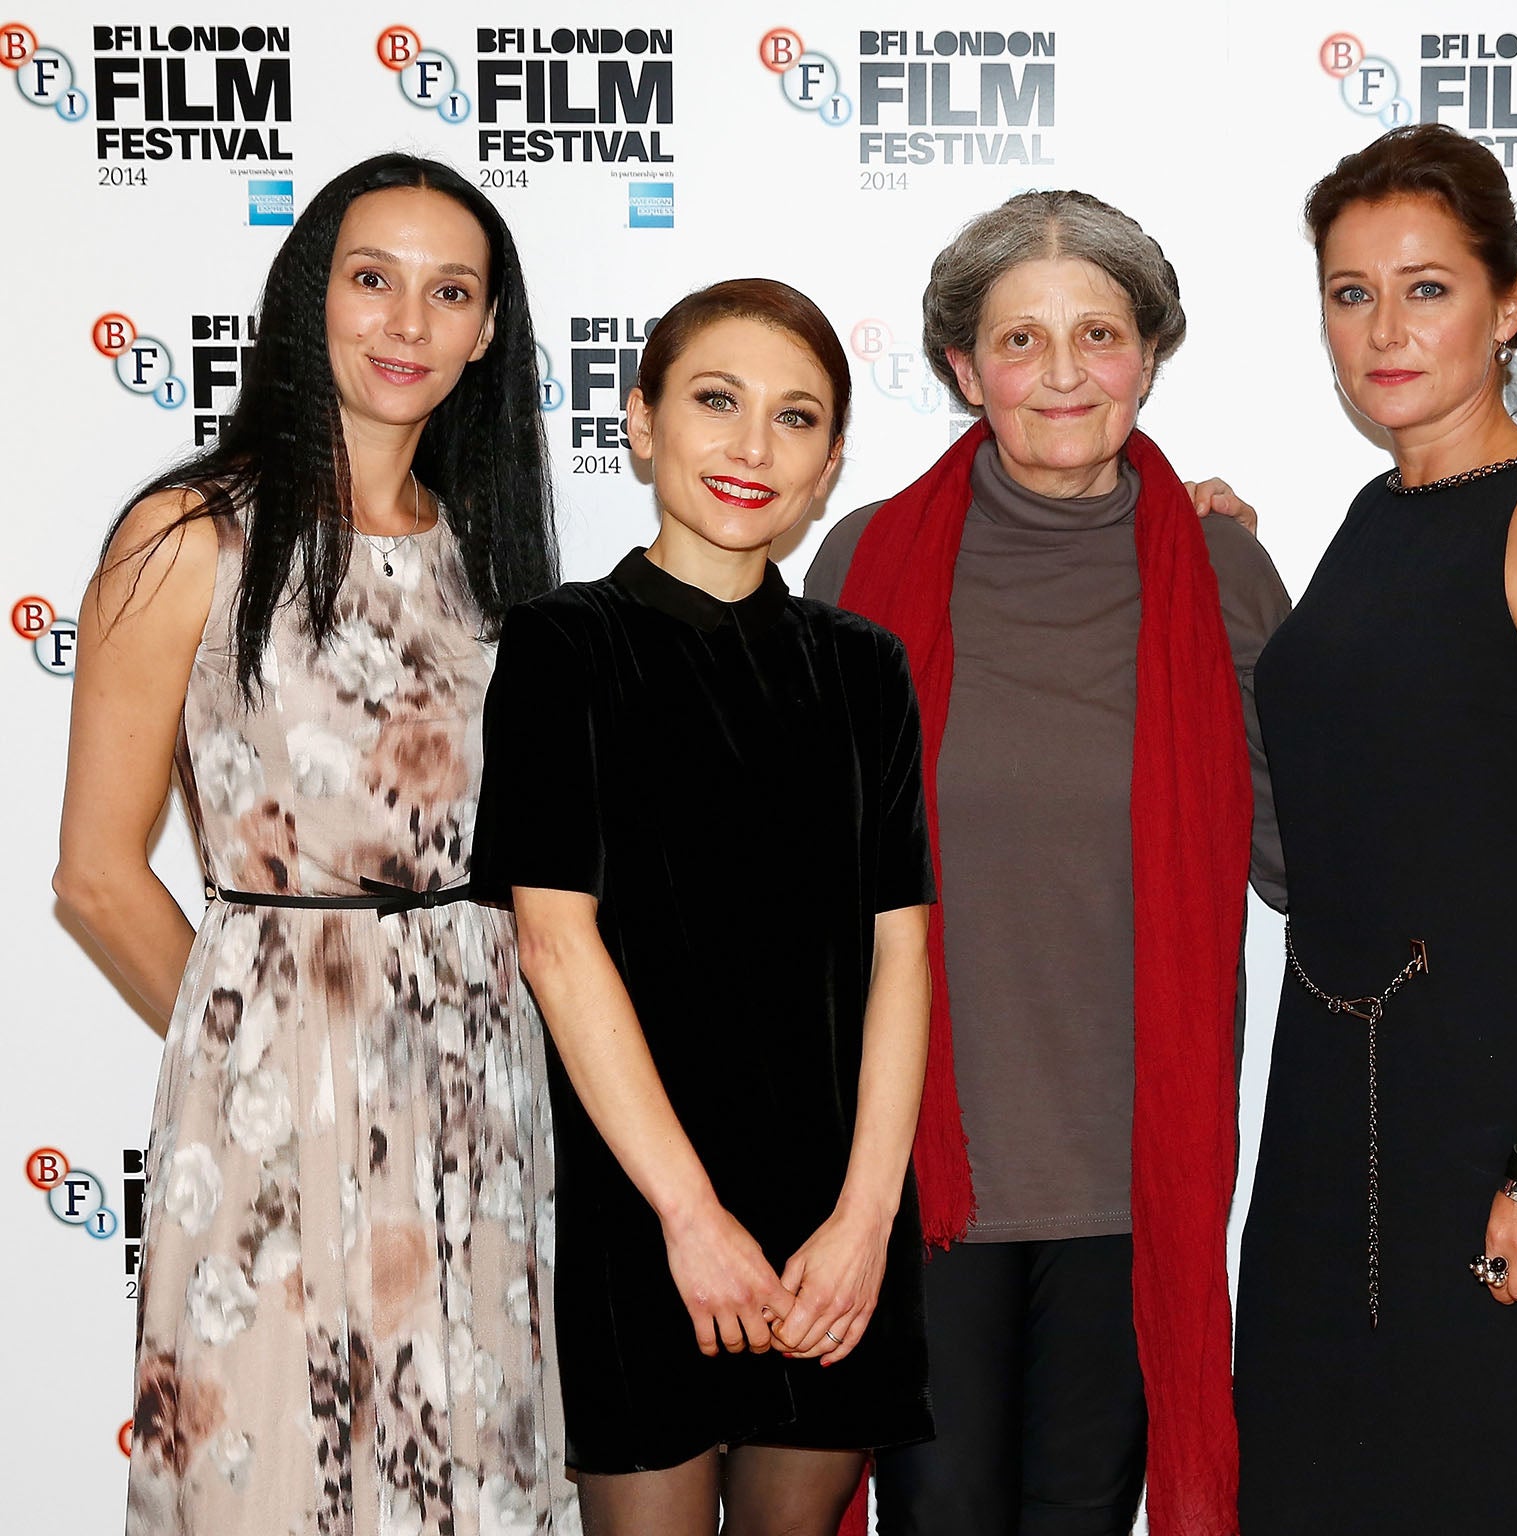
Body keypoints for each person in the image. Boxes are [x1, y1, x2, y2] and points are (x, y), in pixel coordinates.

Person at [53, 153, 572, 1533]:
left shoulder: (499, 564)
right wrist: (268, 1054)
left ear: (487, 332)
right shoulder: (191, 538)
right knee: (270, 1469)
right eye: (372, 279)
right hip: (275, 1101)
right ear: (310, 300)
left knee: (475, 1461)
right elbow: (98, 877)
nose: (407, 321)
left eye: (448, 291)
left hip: (483, 1101)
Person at [804, 189, 1291, 1536]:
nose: (1064, 374)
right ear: (965, 368)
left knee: (1080, 1515)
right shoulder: (863, 565)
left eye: (1100, 334)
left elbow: (1297, 863)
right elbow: (805, 879)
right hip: (918, 1168)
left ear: (1151, 354)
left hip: (1130, 1171)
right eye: (1022, 340)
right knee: (941, 1510)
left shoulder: (1224, 571)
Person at [1235, 122, 1517, 1532]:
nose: (1384, 328)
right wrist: (1222, 552)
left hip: (1489, 1114)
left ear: (1512, 303)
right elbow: (1382, 738)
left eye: (1427, 288)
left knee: (1474, 1483)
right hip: (1329, 1103)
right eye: (1351, 293)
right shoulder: (1373, 510)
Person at [468, 278, 936, 1536]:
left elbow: (903, 958)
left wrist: (865, 1224)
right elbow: (556, 947)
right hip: (644, 1217)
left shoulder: (863, 667)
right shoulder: (563, 646)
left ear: (831, 461)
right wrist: (689, 1218)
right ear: (639, 422)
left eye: (794, 419)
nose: (749, 447)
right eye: (715, 402)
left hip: (832, 1232)